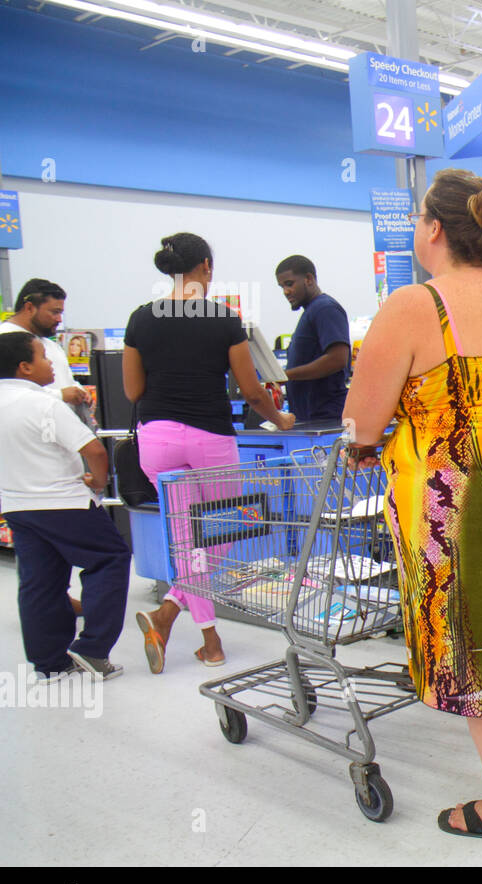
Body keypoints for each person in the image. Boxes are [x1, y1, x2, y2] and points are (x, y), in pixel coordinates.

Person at [344, 169, 482, 842]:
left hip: (463, 508)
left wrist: (371, 443)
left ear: (435, 229)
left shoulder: (414, 306)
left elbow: (359, 426)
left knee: (478, 654)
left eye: (418, 217)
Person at [124, 232, 295, 673]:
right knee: (218, 532)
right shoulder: (223, 320)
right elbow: (254, 393)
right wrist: (281, 421)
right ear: (205, 266)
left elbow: (133, 390)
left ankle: (191, 630)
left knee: (187, 539)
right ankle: (189, 625)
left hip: (157, 438)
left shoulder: (141, 319)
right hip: (210, 439)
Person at [0, 332, 130, 682]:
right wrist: (99, 482)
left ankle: (50, 663)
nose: (51, 364)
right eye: (44, 357)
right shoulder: (44, 404)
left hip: (16, 504)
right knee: (110, 558)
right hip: (63, 502)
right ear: (25, 367)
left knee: (39, 580)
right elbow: (94, 451)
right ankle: (92, 647)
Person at [275, 255, 350, 423]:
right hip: (310, 418)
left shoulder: (325, 309)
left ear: (308, 279)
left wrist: (285, 375)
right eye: (281, 287)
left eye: (289, 284)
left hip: (327, 419)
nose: (285, 292)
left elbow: (337, 359)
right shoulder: (311, 312)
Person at [0, 278, 90, 408]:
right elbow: (8, 394)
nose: (59, 319)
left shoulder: (52, 345)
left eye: (61, 313)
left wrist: (80, 392)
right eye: (55, 312)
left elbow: (66, 382)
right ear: (30, 308)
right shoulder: (3, 339)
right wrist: (60, 395)